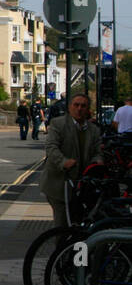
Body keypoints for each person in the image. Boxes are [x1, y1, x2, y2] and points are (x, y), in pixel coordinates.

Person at [41, 93, 100, 227]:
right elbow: (51, 147)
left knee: (79, 223)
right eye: (76, 105)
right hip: (59, 184)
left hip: (82, 186)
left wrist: (97, 161)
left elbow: (98, 152)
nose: (79, 109)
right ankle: (62, 248)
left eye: (83, 106)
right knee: (62, 224)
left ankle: (77, 247)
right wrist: (63, 162)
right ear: (69, 107)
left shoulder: (94, 130)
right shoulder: (58, 124)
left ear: (88, 109)